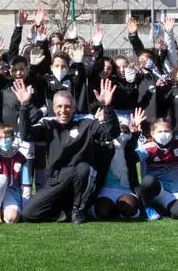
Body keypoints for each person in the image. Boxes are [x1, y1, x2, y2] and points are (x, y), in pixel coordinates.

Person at [14, 80, 119, 225]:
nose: (63, 111)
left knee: (84, 168)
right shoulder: (48, 123)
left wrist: (107, 106)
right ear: (53, 107)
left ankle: (78, 209)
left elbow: (111, 133)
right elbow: (26, 135)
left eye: (68, 106)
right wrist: (24, 105)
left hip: (80, 178)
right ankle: (62, 211)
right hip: (56, 180)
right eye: (59, 106)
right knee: (29, 214)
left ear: (74, 107)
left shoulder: (87, 122)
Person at [0, 122, 30, 224]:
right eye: (0, 138)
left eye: (7, 137)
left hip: (12, 192)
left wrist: (26, 207)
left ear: (13, 138)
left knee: (11, 219)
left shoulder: (21, 157)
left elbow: (26, 183)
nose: (4, 140)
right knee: (1, 178)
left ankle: (3, 211)